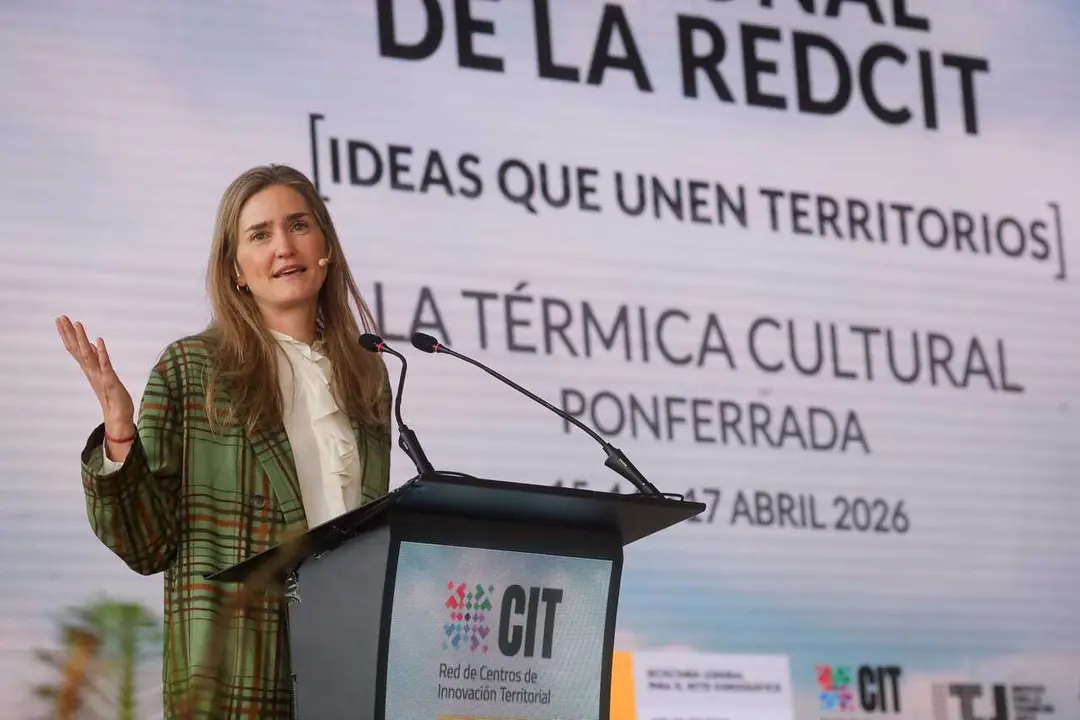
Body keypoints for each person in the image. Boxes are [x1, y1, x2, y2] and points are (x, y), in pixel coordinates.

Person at [55, 164, 393, 718]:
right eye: (260, 234)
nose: (284, 246)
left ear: (325, 245)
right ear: (236, 269)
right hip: (241, 671)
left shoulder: (366, 373)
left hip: (348, 668)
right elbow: (146, 545)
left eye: (299, 225)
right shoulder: (194, 368)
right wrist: (119, 432)